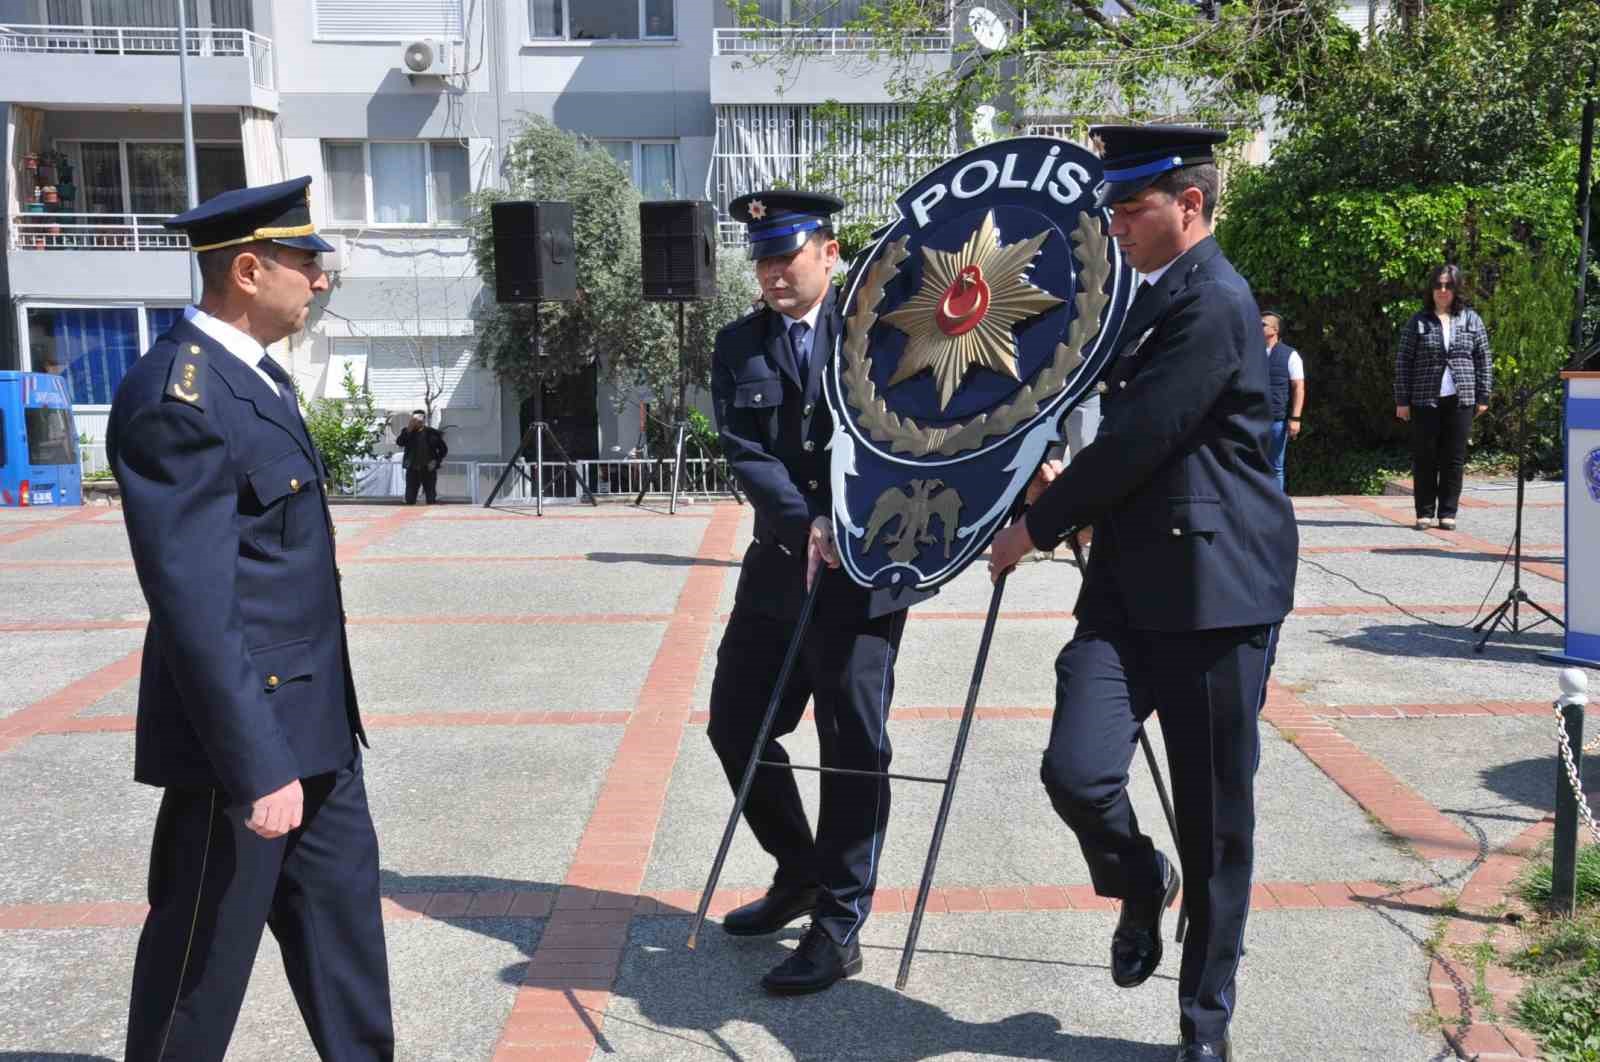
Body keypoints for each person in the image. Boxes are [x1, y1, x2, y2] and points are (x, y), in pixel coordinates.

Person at [988, 125, 1298, 1062]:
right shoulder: (1147, 297)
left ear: (1189, 207)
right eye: (1113, 207)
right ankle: (1136, 879)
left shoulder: (1217, 302)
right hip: (1127, 590)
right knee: (1076, 773)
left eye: (1131, 207)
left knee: (1215, 827)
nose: (1114, 222)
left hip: (1217, 597)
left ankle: (1204, 1025)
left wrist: (1034, 529)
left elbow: (1141, 439)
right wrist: (1035, 458)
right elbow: (1081, 401)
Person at [107, 176, 393, 1061]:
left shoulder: (251, 380)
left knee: (347, 952)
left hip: (317, 731)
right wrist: (257, 766)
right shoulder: (177, 399)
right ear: (247, 268)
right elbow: (196, 606)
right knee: (198, 974)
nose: (319, 280)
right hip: (245, 750)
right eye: (307, 262)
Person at [706, 189, 927, 995]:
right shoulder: (738, 345)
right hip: (777, 565)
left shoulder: (882, 332)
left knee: (852, 747)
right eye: (761, 259)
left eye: (785, 255)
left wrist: (845, 520)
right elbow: (745, 450)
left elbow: (911, 439)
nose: (770, 273)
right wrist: (806, 521)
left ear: (829, 254)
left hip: (862, 575)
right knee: (734, 725)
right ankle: (797, 869)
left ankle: (840, 921)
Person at [1394, 263, 1492, 530]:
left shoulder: (1472, 319)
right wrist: (1402, 400)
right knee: (1424, 456)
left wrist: (1483, 395)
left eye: (1448, 285)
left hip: (1461, 399)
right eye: (1438, 284)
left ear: (1457, 288)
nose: (1443, 290)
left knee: (1454, 457)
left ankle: (1448, 513)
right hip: (1425, 398)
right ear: (1431, 288)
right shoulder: (1418, 321)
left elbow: (1483, 360)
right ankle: (1424, 512)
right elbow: (1403, 362)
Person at [1260, 311, 1305, 491]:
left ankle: (1275, 507)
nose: (1258, 327)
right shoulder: (1251, 353)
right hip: (1253, 418)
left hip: (1277, 420)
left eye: (1263, 324)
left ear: (1275, 330)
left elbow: (1298, 388)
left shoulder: (1290, 355)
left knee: (1276, 467)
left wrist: (1295, 419)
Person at [395, 408, 448, 504]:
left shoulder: (432, 433)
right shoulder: (407, 432)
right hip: (412, 469)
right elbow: (400, 443)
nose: (417, 420)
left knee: (431, 498)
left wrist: (436, 461)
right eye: (415, 418)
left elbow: (443, 450)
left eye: (420, 417)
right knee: (410, 498)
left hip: (428, 469)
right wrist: (409, 430)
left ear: (424, 419)